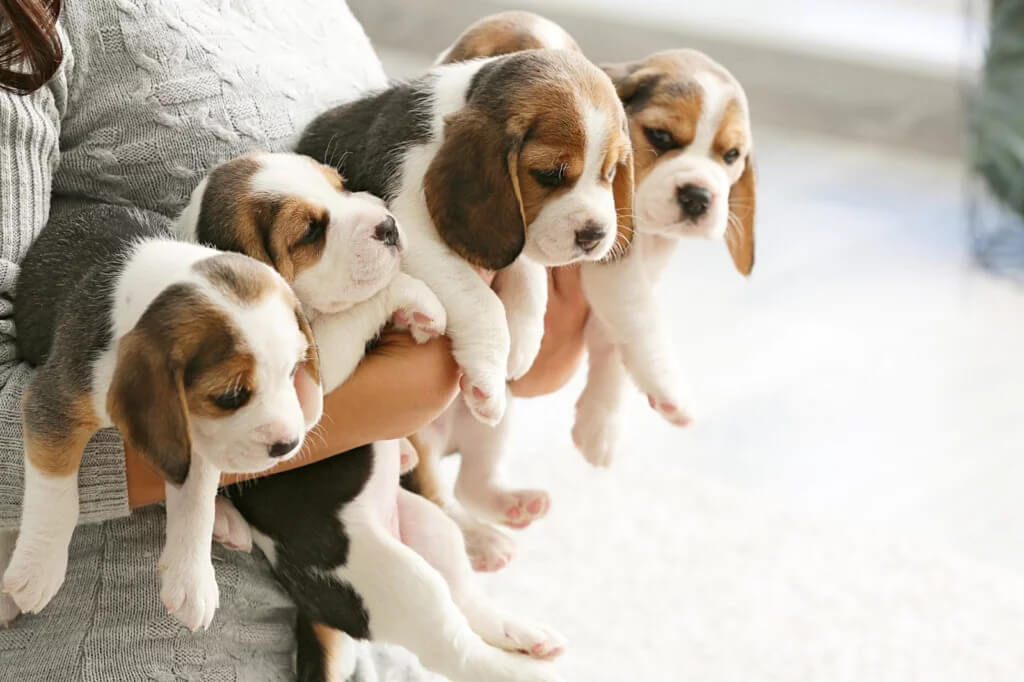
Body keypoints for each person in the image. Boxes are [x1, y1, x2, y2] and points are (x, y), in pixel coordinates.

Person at [0, 1, 589, 679]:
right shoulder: (38, 21)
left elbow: (478, 380)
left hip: (361, 637)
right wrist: (397, 389)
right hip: (141, 652)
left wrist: (524, 313)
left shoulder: (318, 14)